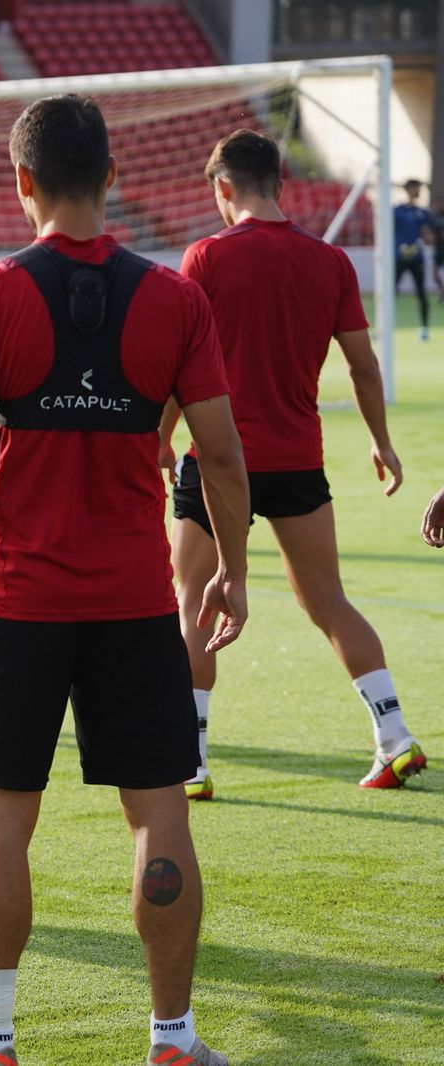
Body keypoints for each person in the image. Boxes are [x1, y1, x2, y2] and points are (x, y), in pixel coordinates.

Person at [0, 95, 249, 1066]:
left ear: (22, 182)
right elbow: (219, 454)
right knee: (159, 812)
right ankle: (173, 1041)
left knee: (5, 815)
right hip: (136, 602)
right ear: (112, 178)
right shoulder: (174, 298)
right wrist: (233, 572)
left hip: (16, 601)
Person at [165, 130, 425, 796]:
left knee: (192, 601)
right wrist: (381, 440)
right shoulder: (330, 261)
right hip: (297, 460)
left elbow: (176, 367)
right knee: (329, 601)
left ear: (224, 187)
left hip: (218, 460)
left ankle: (190, 761)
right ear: (280, 182)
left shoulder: (206, 257)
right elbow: (363, 365)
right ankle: (394, 735)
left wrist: (158, 439)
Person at [394, 179, 431, 340]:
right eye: (416, 187)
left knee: (421, 292)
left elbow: (429, 235)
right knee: (390, 292)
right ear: (408, 189)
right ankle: (385, 326)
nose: (419, 190)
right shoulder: (397, 211)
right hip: (399, 258)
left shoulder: (423, 213)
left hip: (417, 258)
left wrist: (421, 242)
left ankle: (424, 329)